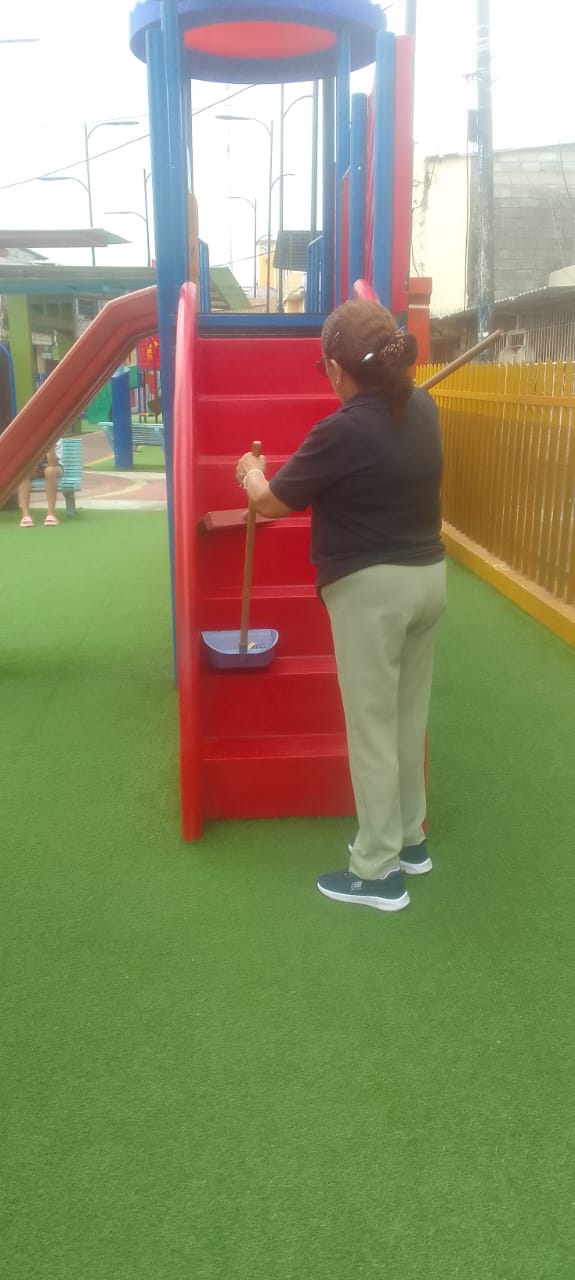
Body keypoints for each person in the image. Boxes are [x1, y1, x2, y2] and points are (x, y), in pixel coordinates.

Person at [235, 297, 446, 914]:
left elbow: (271, 503)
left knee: (372, 729)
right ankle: (409, 840)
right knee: (406, 719)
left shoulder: (341, 430)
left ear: (336, 367)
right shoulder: (424, 407)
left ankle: (377, 871)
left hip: (372, 592)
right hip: (429, 580)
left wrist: (250, 471)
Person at [19, 440, 64, 527]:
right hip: (34, 467)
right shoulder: (31, 438)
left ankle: (51, 514)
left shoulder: (57, 438)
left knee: (50, 471)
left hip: (55, 467)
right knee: (23, 472)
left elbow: (53, 463)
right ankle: (25, 516)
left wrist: (49, 445)